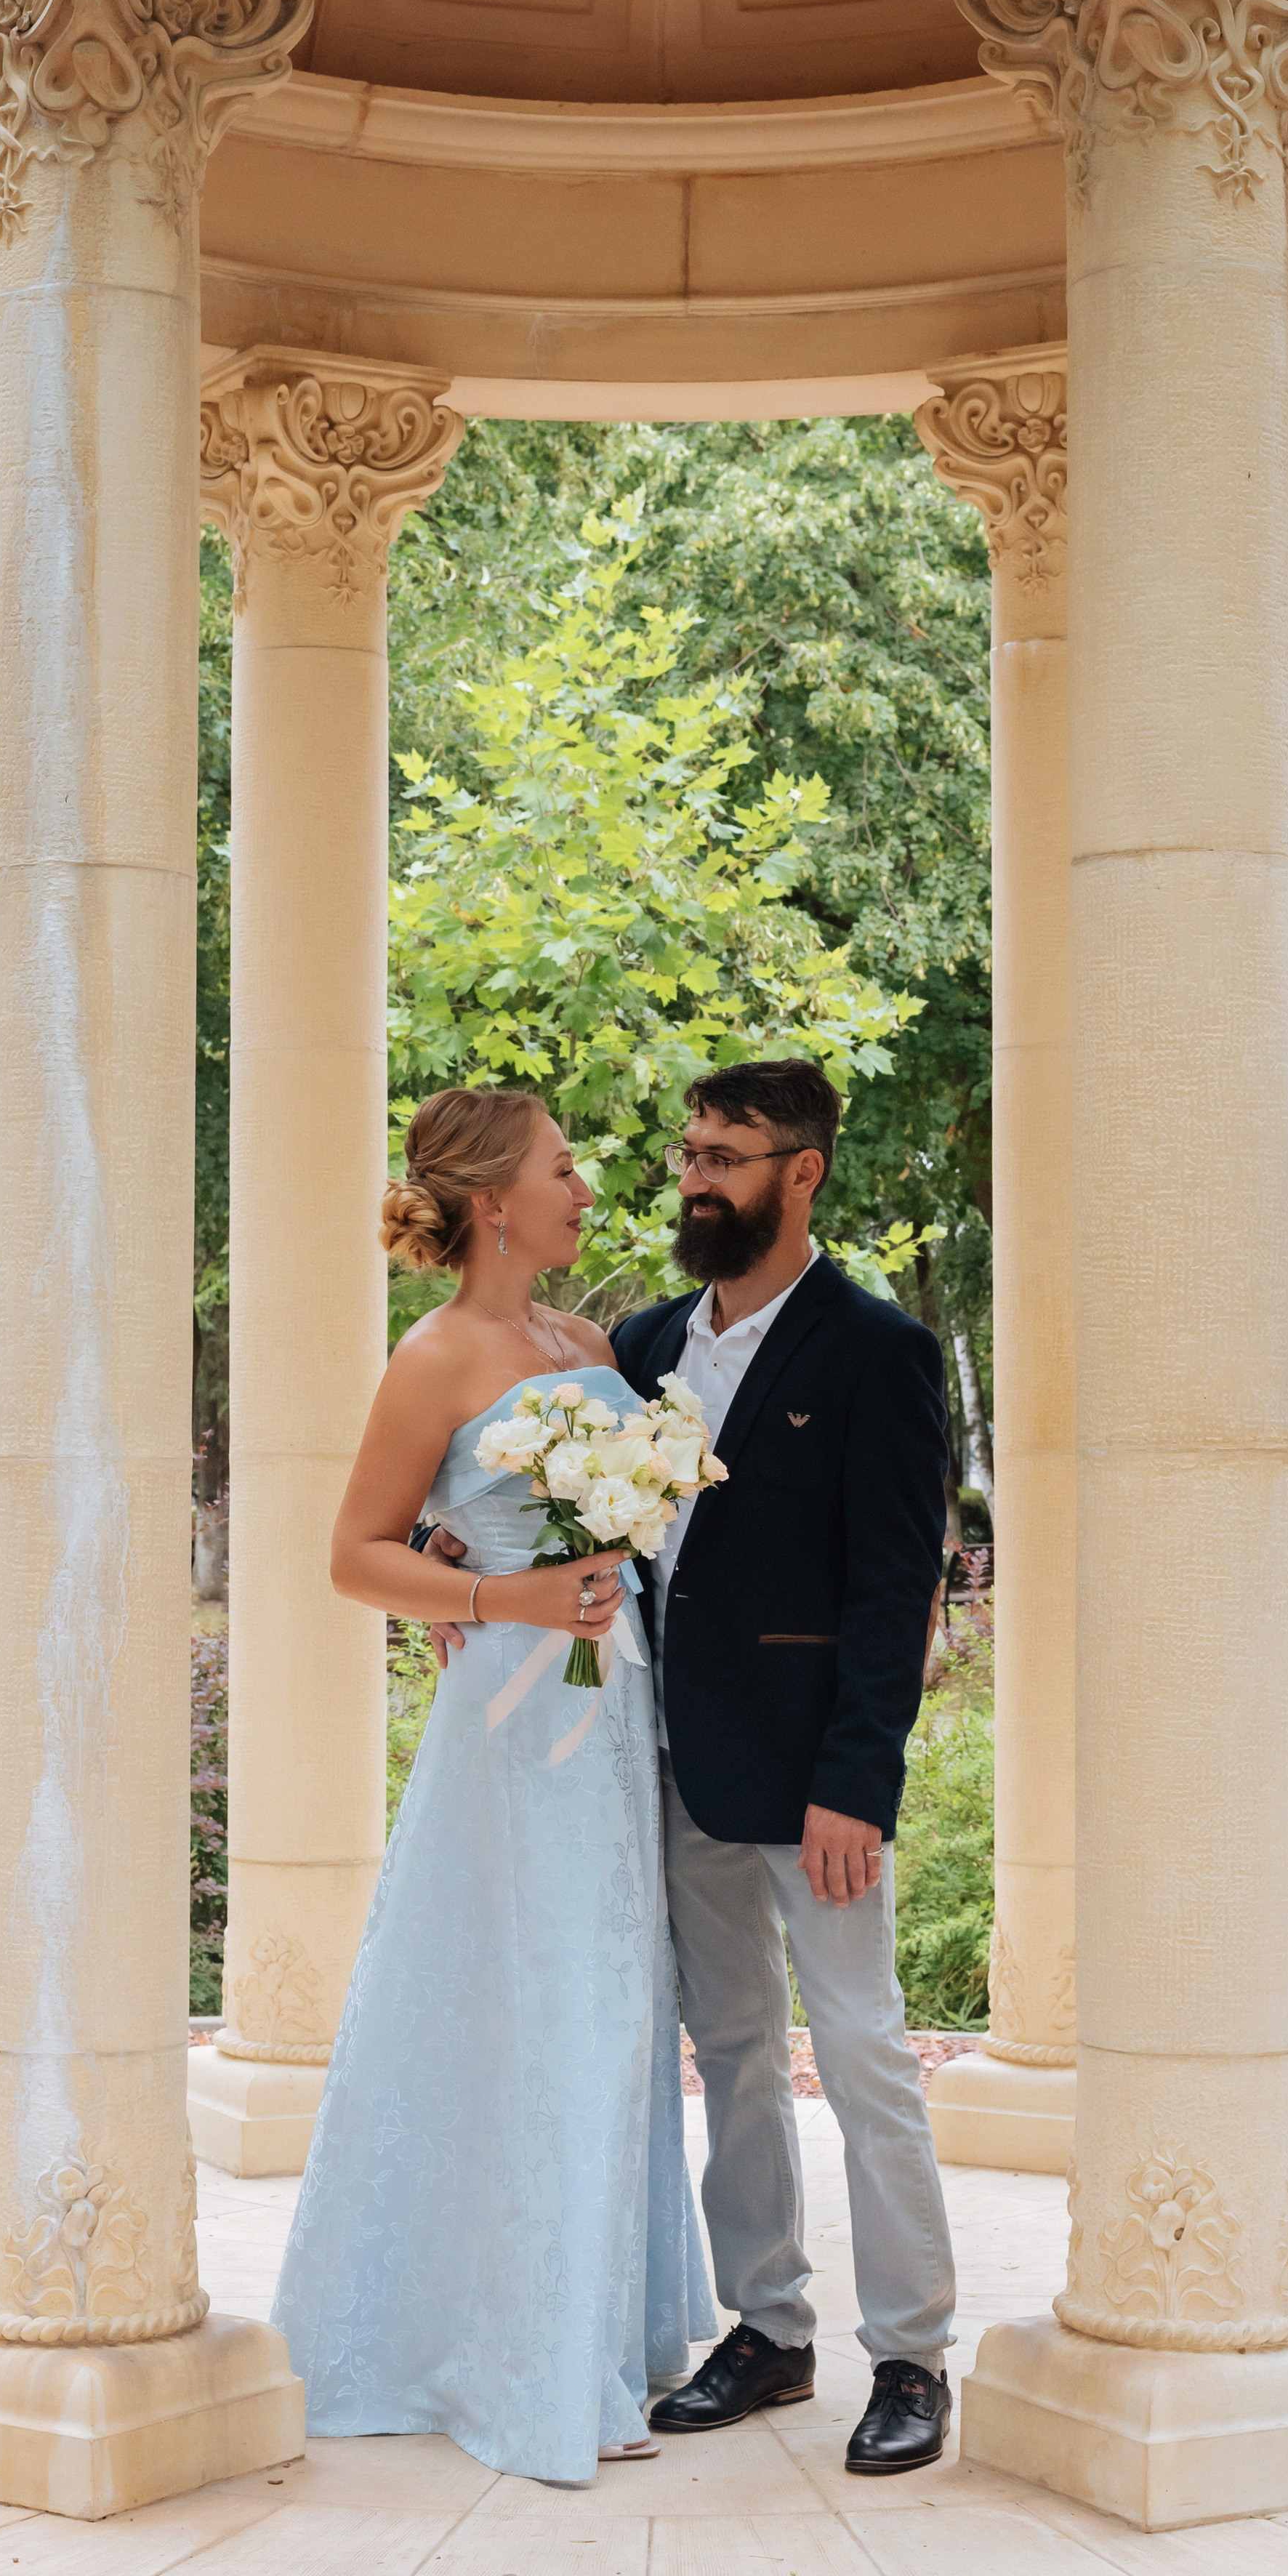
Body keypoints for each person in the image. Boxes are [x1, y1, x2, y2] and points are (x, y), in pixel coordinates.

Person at [431, 1059, 957, 2477]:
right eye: (686, 1154)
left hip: (814, 1783)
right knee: (726, 2051)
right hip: (660, 1766)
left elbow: (891, 1588)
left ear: (802, 1174)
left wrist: (857, 1781)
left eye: (725, 1156)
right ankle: (768, 2326)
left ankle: (908, 2354)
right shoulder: (639, 1343)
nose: (693, 1179)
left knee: (858, 2052)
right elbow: (552, 1505)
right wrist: (456, 1554)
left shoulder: (875, 1352)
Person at [269, 1085, 713, 2486]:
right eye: (565, 1165)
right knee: (528, 1998)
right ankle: (512, 2355)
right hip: (515, 1729)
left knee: (611, 2002)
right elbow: (354, 1551)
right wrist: (496, 1590)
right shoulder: (436, 1355)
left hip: (614, 1700)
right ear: (494, 1201)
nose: (589, 1186)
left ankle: (598, 2326)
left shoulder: (585, 1342)